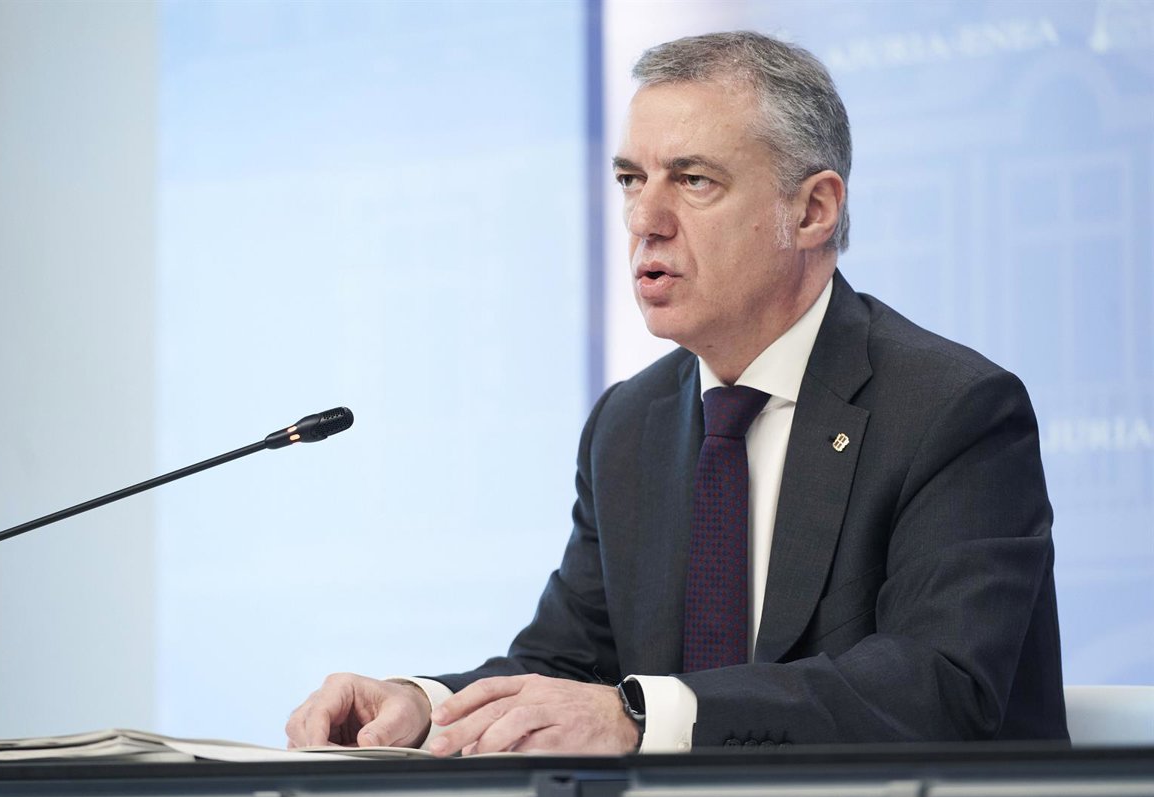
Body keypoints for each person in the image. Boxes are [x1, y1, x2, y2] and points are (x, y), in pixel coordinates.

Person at [285, 30, 1067, 756]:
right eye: (632, 179)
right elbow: (569, 664)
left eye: (694, 181)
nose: (644, 219)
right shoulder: (630, 423)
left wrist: (642, 718)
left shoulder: (951, 410)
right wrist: (422, 705)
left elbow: (937, 688)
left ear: (812, 210)